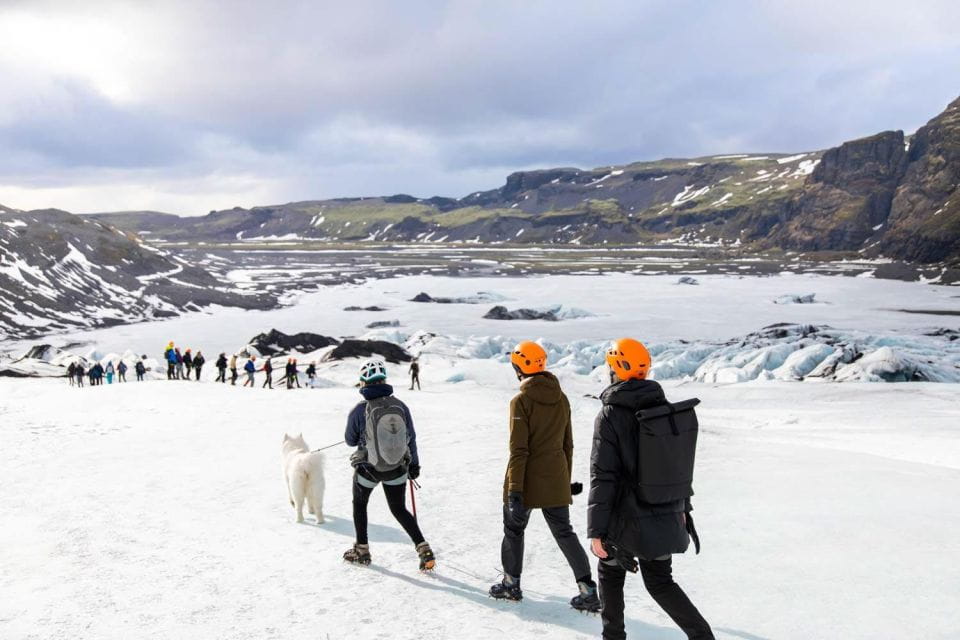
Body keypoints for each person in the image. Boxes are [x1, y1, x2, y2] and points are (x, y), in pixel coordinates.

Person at [588, 338, 714, 640]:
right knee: (660, 582)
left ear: (616, 369)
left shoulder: (610, 414)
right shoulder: (664, 409)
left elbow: (603, 477)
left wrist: (596, 531)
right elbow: (678, 467)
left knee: (609, 572)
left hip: (623, 518)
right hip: (664, 509)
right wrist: (682, 510)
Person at [489, 341, 599, 612]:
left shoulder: (521, 401)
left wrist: (514, 490)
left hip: (526, 480)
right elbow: (568, 445)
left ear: (519, 367)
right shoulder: (561, 398)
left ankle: (511, 584)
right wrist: (565, 481)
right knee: (564, 532)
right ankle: (588, 590)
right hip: (555, 477)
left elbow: (519, 450)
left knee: (514, 529)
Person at [342, 359, 435, 571]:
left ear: (363, 382)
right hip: (396, 468)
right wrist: (414, 465)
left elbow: (349, 440)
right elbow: (411, 438)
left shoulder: (359, 410)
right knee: (399, 509)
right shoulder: (400, 406)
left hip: (368, 470)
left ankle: (362, 551)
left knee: (360, 505)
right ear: (384, 380)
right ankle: (424, 549)